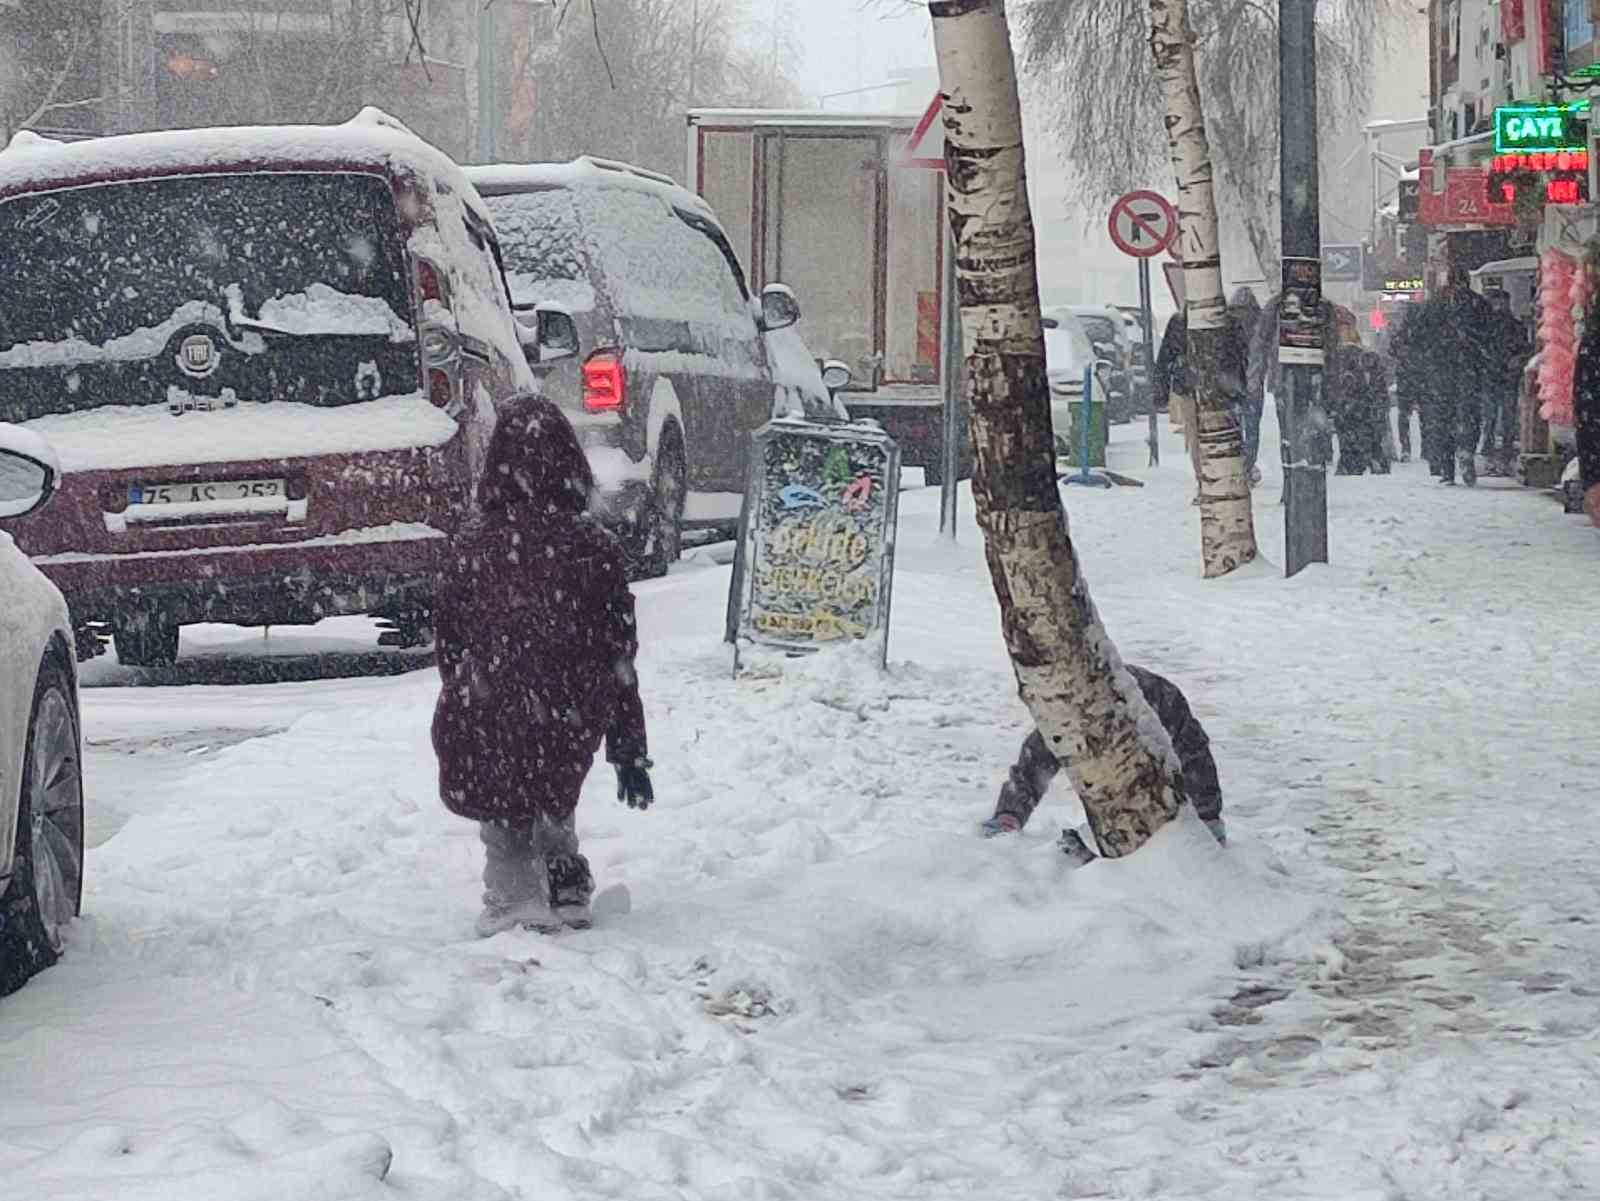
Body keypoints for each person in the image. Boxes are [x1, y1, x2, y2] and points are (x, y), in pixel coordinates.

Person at [432, 393, 654, 937]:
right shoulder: (592, 547)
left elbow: (451, 643)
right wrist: (628, 747)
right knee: (553, 787)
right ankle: (563, 873)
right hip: (569, 709)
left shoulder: (471, 547)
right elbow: (617, 651)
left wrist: (469, 693)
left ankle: (510, 890)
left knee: (505, 803)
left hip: (491, 706)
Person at [980, 666, 1227, 850]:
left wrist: (1208, 817)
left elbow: (1195, 757)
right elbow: (1033, 765)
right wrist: (1009, 814)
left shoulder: (1158, 700)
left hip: (1160, 802)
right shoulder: (1066, 710)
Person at [1398, 266, 1496, 485]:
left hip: (1444, 369)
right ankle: (1460, 457)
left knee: (1445, 417)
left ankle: (1448, 464)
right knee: (1464, 415)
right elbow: (1490, 336)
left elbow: (1416, 338)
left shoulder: (1434, 305)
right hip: (1461, 368)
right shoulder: (1475, 304)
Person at [1479, 288, 1530, 475]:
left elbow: (1524, 349)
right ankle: (1497, 454)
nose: (1498, 306)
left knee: (1500, 417)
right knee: (1495, 417)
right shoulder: (1493, 326)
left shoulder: (1493, 326)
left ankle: (1499, 454)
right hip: (1499, 376)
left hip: (1501, 376)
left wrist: (1516, 359)